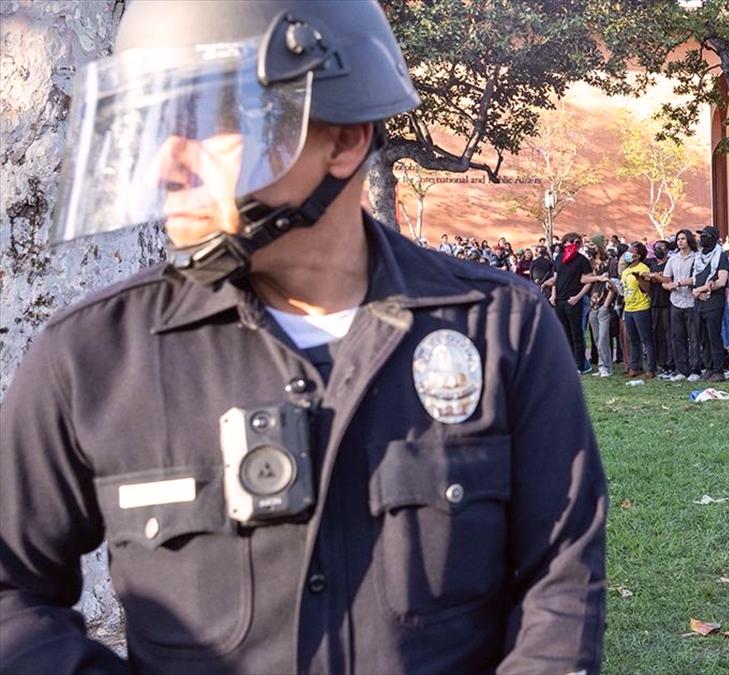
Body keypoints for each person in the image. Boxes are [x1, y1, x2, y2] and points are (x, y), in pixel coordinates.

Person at [0, 2, 606, 673]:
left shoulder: (501, 329)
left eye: (207, 122)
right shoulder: (91, 358)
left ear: (344, 140)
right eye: (158, 128)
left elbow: (561, 580)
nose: (169, 165)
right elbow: (10, 591)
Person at [547, 232, 592, 373]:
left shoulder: (582, 260)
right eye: (570, 241)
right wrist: (553, 295)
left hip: (573, 300)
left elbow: (588, 281)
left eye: (577, 242)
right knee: (564, 333)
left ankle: (579, 365)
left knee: (577, 334)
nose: (573, 244)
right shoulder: (559, 258)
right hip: (559, 300)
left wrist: (578, 297)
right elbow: (556, 278)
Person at [692, 226, 729, 382]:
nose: (702, 239)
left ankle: (718, 369)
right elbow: (694, 278)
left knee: (714, 336)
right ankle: (708, 367)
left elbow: (721, 281)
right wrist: (694, 290)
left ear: (714, 238)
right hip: (699, 302)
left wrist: (700, 290)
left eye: (705, 236)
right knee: (702, 337)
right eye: (701, 236)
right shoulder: (698, 257)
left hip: (713, 302)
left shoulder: (721, 257)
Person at [663, 229, 702, 382]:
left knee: (693, 337)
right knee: (677, 337)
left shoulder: (697, 258)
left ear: (689, 240)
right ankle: (681, 369)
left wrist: (679, 283)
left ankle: (695, 369)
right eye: (678, 239)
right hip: (676, 301)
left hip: (691, 301)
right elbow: (666, 280)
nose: (680, 241)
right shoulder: (673, 259)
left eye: (683, 239)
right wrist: (668, 286)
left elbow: (696, 278)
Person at [620, 243, 656, 378]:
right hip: (628, 308)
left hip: (641, 307)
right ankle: (635, 367)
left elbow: (648, 289)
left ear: (638, 255)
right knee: (633, 340)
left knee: (646, 339)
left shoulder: (643, 268)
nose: (628, 253)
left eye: (631, 251)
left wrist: (640, 279)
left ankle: (650, 369)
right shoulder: (625, 271)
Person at [645, 240, 675, 379]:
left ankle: (671, 363)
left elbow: (668, 280)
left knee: (669, 335)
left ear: (667, 250)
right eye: (656, 247)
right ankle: (661, 363)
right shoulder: (651, 263)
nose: (658, 250)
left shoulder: (671, 263)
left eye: (661, 248)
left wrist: (657, 277)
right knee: (657, 334)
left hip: (668, 303)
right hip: (654, 303)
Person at [586, 248, 616, 377]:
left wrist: (606, 304)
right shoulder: (590, 263)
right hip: (593, 303)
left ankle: (606, 368)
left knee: (604, 337)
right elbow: (586, 281)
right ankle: (602, 365)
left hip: (604, 304)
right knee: (597, 338)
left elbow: (612, 285)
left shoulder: (610, 262)